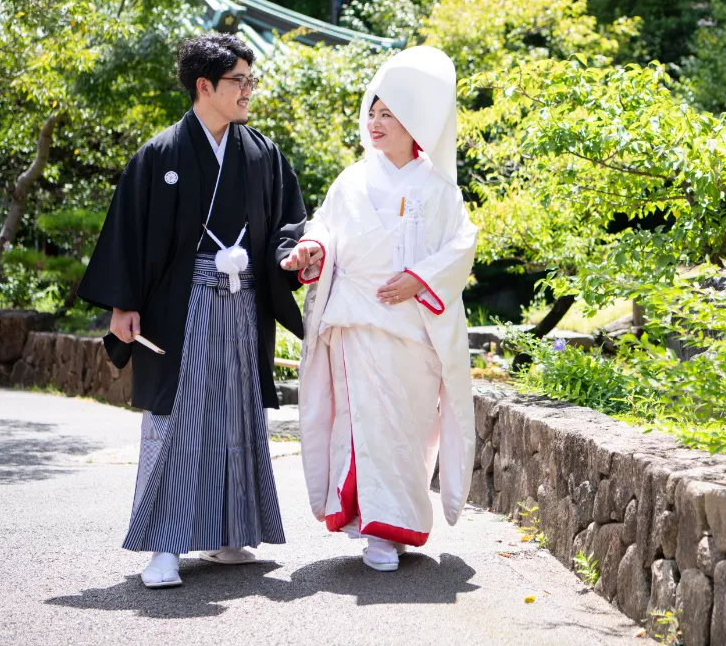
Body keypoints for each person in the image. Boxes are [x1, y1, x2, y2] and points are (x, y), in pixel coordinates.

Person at [77, 34, 308, 588]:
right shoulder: (160, 155)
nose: (248, 90)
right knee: (178, 417)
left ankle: (229, 531)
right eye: (238, 81)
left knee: (238, 413)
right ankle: (164, 545)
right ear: (205, 86)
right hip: (181, 305)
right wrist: (123, 304)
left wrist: (296, 253)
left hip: (244, 301)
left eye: (250, 80)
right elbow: (130, 233)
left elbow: (288, 223)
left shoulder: (262, 153)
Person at [280, 45, 477, 572]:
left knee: (405, 425)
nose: (375, 122)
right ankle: (374, 528)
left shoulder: (439, 189)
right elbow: (325, 227)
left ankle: (398, 521)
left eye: (388, 114)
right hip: (356, 321)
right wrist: (311, 249)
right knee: (360, 422)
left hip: (413, 326)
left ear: (414, 124)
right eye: (373, 112)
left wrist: (419, 279)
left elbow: (461, 246)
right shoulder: (351, 180)